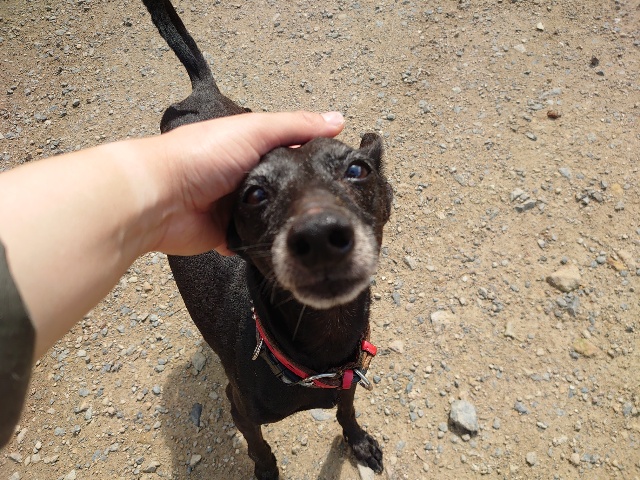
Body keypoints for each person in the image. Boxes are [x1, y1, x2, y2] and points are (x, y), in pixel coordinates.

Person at [0, 110, 345, 448]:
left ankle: (349, 421)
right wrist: (170, 180)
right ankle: (262, 458)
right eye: (256, 196)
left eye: (355, 171)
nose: (320, 227)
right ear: (236, 233)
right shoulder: (259, 391)